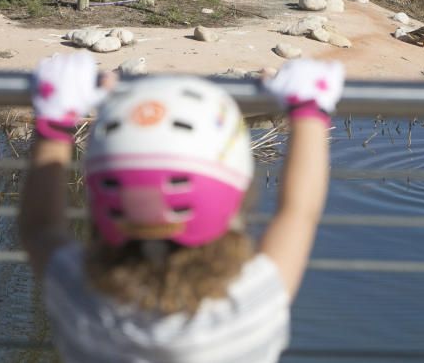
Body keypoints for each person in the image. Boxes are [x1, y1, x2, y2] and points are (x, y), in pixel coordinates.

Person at [18, 52, 344, 362]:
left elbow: (40, 229)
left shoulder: (83, 299)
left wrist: (55, 121)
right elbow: (299, 213)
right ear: (234, 199)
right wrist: (308, 110)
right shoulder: (249, 305)